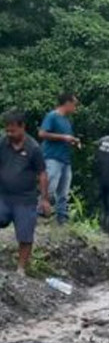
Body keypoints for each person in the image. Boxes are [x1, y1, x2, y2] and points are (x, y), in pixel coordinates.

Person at [0, 111, 51, 276]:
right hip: (4, 196)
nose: (9, 134)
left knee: (25, 234)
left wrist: (44, 199)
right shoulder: (2, 143)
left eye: (12, 131)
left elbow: (42, 174)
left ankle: (21, 268)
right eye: (7, 130)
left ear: (22, 127)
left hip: (25, 199)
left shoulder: (33, 148)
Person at [38, 92, 80, 225]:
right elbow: (42, 133)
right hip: (52, 157)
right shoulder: (52, 116)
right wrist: (63, 137)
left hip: (65, 159)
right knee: (49, 188)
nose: (75, 108)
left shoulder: (66, 120)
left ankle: (62, 220)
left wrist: (73, 141)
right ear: (67, 103)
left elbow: (65, 138)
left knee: (64, 192)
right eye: (74, 105)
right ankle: (39, 214)